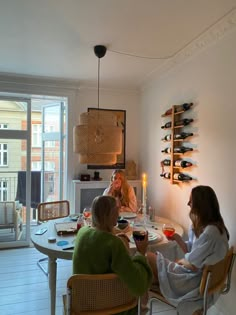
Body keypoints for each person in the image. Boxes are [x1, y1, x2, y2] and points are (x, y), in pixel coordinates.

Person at [147, 185, 229, 315]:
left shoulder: (210, 233)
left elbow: (193, 265)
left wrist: (180, 262)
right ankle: (153, 289)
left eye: (191, 201)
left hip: (194, 282)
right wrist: (179, 239)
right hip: (202, 278)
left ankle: (138, 300)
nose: (188, 204)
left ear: (201, 205)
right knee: (153, 271)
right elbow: (193, 253)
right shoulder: (216, 228)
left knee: (148, 257)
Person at [73, 195, 152, 315]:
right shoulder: (114, 244)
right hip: (113, 308)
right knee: (142, 296)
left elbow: (99, 239)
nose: (119, 214)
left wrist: (115, 233)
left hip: (83, 305)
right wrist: (141, 253)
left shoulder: (82, 233)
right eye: (116, 210)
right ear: (109, 214)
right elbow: (138, 284)